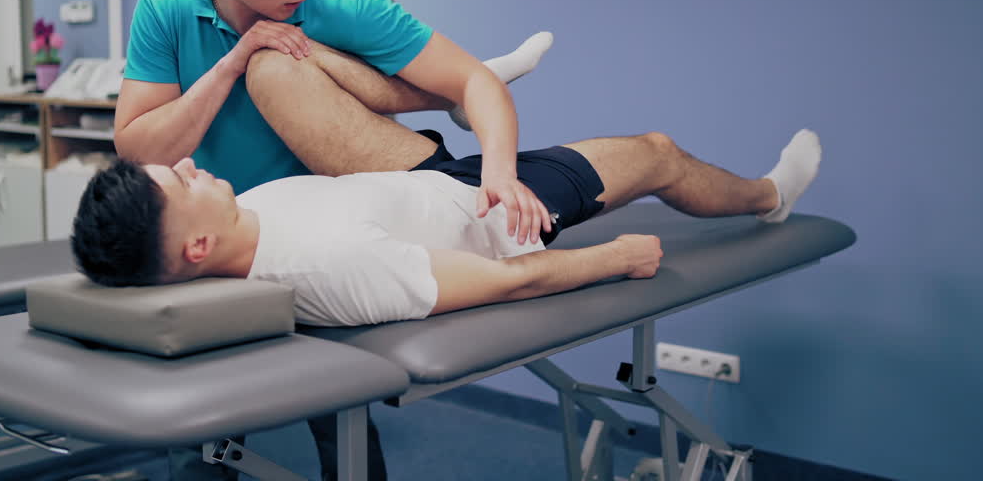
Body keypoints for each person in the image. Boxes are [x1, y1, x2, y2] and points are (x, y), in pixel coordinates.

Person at [115, 0, 553, 480]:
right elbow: (137, 150)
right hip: (217, 230)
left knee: (339, 414)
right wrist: (231, 64)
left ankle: (433, 100)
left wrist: (500, 172)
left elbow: (471, 77)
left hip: (309, 229)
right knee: (204, 429)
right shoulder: (167, 2)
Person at [73, 125, 822, 326]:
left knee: (287, 67)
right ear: (195, 247)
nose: (194, 167)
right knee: (657, 154)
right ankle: (767, 198)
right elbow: (509, 279)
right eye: (182, 180)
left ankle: (468, 92)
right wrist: (618, 257)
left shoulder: (247, 214)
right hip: (500, 211)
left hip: (428, 180)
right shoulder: (328, 265)